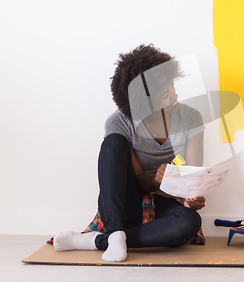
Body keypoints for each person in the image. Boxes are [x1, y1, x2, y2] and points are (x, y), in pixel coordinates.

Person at [53, 44, 206, 262]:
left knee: (189, 223)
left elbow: (194, 178)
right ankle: (115, 232)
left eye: (172, 86)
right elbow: (140, 183)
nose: (175, 95)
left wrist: (193, 197)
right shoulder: (119, 122)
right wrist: (155, 180)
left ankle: (97, 241)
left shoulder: (191, 118)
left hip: (168, 203)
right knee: (113, 143)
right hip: (128, 204)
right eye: (165, 94)